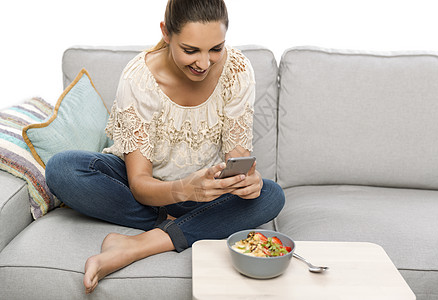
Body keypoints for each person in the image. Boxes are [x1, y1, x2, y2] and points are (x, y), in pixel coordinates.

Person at [45, 0, 285, 294]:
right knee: (63, 169)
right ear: (166, 33)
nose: (204, 63)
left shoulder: (236, 70)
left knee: (270, 195)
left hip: (205, 193)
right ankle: (188, 226)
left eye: (215, 48)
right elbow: (139, 184)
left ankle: (139, 244)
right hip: (148, 193)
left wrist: (247, 182)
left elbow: (236, 160)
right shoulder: (139, 78)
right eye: (191, 50)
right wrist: (184, 189)